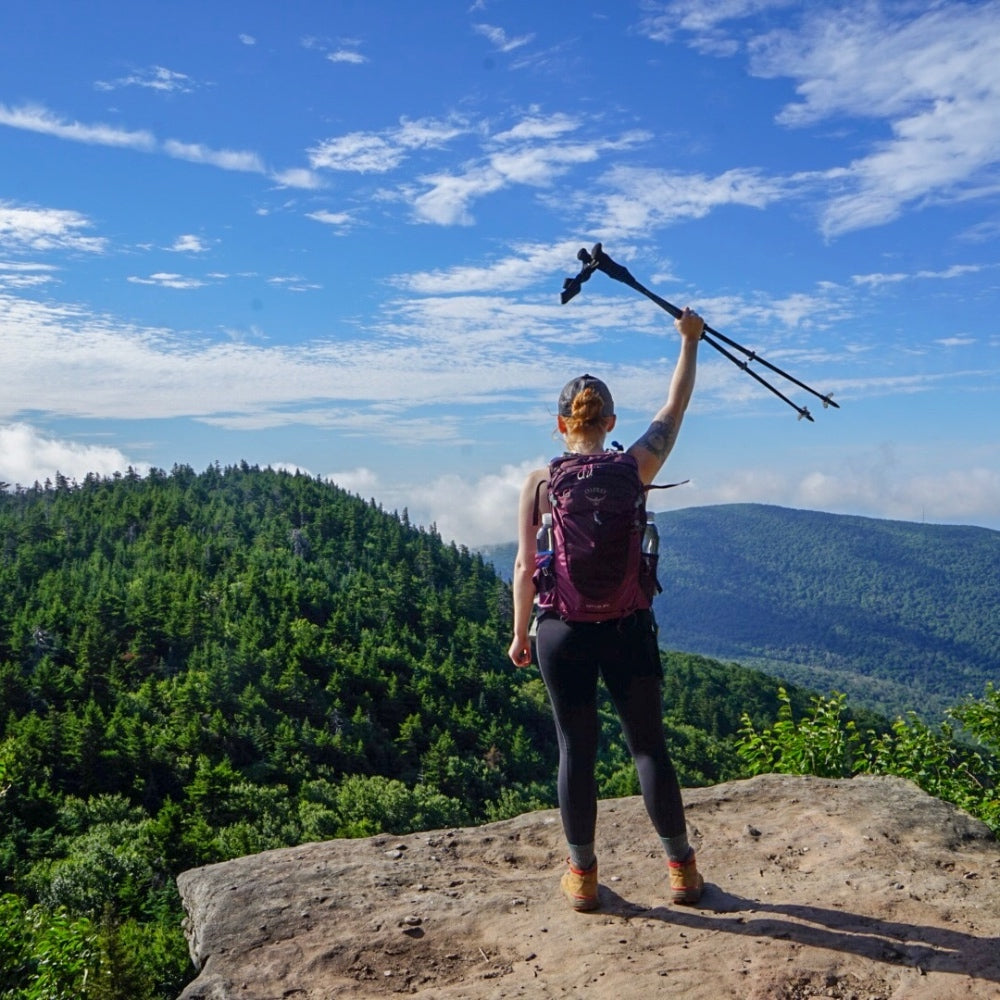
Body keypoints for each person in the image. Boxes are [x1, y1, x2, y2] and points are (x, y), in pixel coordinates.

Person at [508, 305, 705, 912]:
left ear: (559, 423)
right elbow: (674, 409)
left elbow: (524, 566)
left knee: (576, 749)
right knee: (648, 746)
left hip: (561, 631)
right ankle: (682, 873)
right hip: (627, 626)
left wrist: (520, 636)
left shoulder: (541, 482)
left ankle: (584, 877)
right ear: (612, 420)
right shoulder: (635, 465)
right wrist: (689, 343)